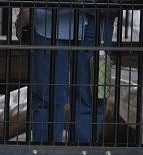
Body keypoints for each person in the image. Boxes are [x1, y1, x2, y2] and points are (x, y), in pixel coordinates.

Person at [16, 7, 116, 144]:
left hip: (96, 16)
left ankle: (81, 151)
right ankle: (47, 151)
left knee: (91, 95)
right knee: (49, 95)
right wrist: (26, 7)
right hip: (50, 15)